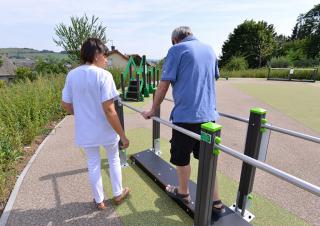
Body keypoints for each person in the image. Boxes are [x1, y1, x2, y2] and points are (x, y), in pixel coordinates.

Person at [142, 26, 225, 214]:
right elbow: (213, 77)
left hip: (186, 117)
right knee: (208, 160)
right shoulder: (210, 49)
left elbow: (163, 85)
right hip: (210, 118)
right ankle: (216, 202)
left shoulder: (176, 50)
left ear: (175, 40)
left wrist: (153, 109)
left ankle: (183, 192)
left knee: (181, 157)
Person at [61, 38, 130, 210]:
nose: (106, 60)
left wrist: (82, 114)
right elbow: (109, 110)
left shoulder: (72, 75)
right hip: (106, 130)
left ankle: (99, 200)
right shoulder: (104, 76)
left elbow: (66, 104)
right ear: (97, 54)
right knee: (113, 159)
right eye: (105, 56)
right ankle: (117, 193)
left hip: (86, 130)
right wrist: (122, 135)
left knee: (93, 162)